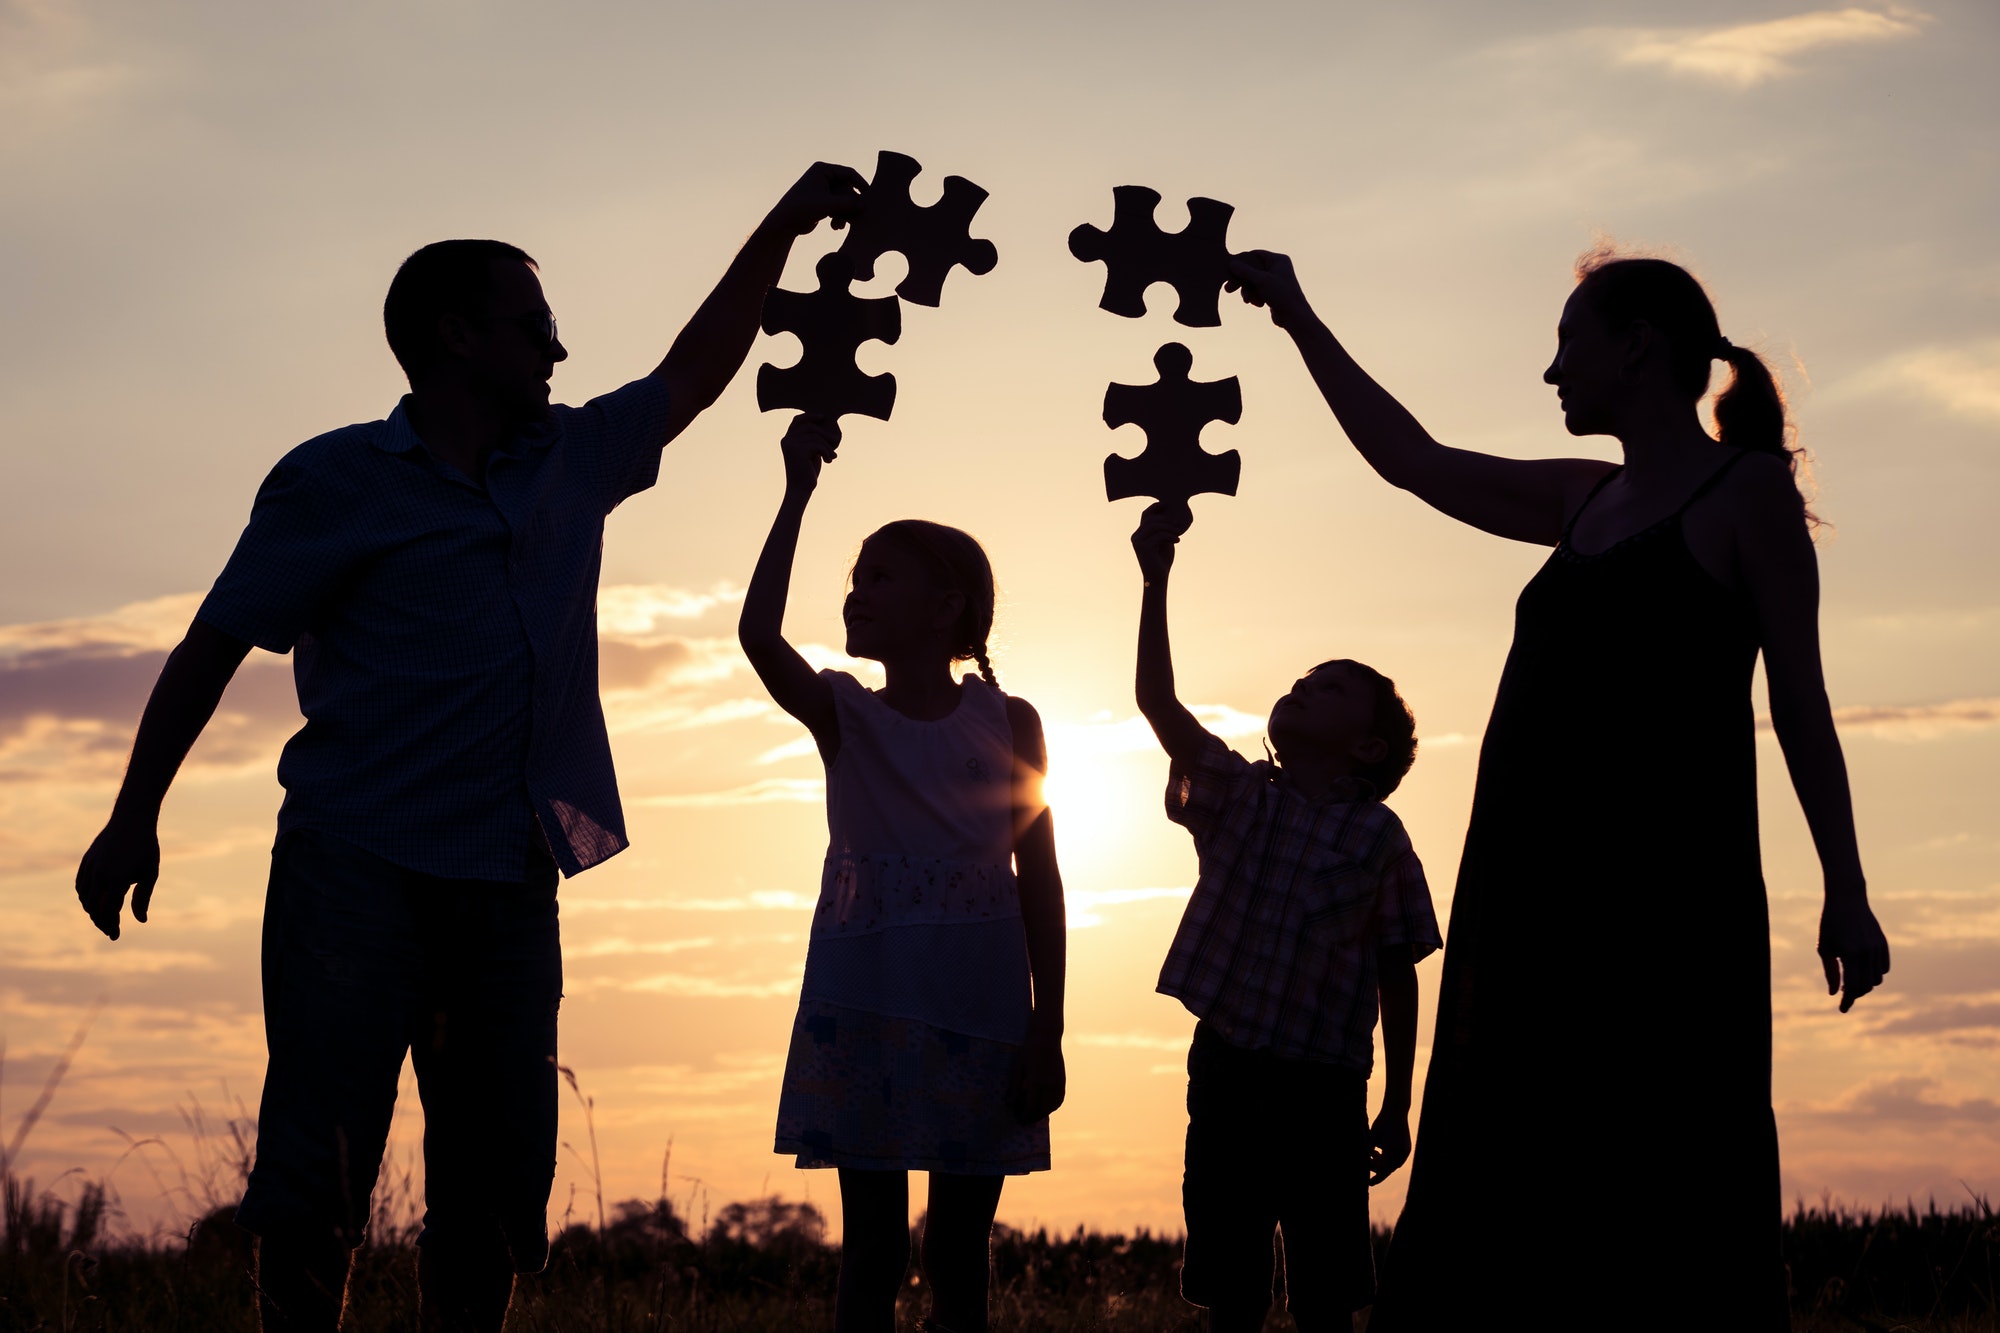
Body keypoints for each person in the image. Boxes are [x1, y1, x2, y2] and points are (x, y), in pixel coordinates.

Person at [72, 162, 869, 1333]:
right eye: (533, 328)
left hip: (507, 877)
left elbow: (693, 372)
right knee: (317, 1175)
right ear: (454, 337)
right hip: (354, 869)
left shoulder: (571, 461)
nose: (556, 352)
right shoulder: (335, 479)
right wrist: (133, 812)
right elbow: (212, 645)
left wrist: (786, 226)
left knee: (494, 1191)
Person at [1225, 246, 1893, 1329]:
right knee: (1506, 1152)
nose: (1549, 373)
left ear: (1635, 347)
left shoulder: (1745, 494)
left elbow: (1801, 704)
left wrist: (1845, 886)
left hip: (1661, 901)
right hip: (1526, 894)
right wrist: (1296, 316)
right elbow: (1409, 459)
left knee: (1655, 1156)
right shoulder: (1584, 497)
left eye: (1565, 342)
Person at [737, 414, 1067, 1333]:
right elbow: (758, 633)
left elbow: (1040, 877)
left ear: (948, 605)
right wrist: (796, 490)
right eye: (855, 578)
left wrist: (1050, 1025)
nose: (857, 593)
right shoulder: (843, 711)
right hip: (866, 999)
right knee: (875, 1245)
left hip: (983, 1006)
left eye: (881, 575)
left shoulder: (1011, 721)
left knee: (958, 1249)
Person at [1130, 500, 1442, 1332]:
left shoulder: (1378, 835)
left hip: (1326, 1091)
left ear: (1368, 748)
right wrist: (1155, 578)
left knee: (1325, 1296)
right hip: (1227, 1073)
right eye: (1302, 680)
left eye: (1330, 688)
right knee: (1232, 1290)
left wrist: (1399, 1101)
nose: (1303, 686)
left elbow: (1397, 969)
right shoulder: (1238, 794)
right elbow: (1157, 699)